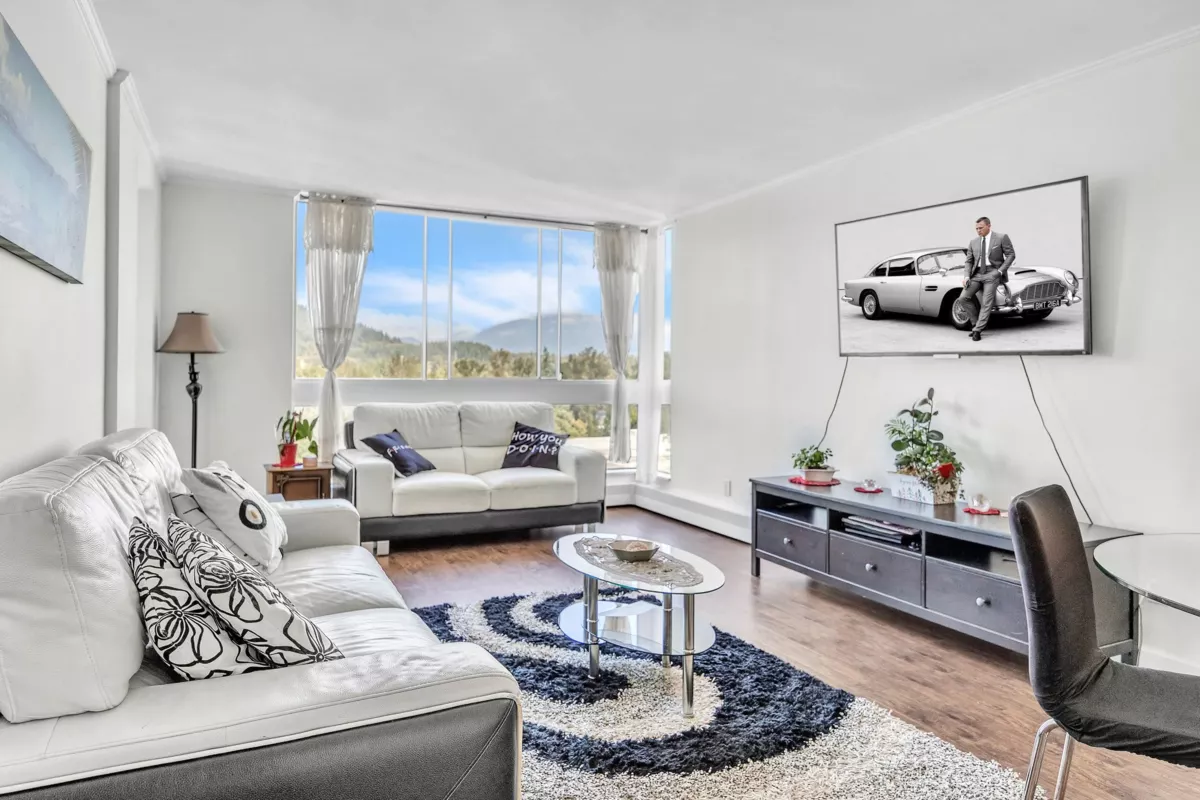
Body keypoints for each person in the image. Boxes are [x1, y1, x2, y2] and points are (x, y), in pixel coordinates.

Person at [960, 216, 1015, 341]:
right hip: (976, 274)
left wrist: (1000, 271)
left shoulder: (1001, 237)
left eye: (981, 228)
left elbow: (1011, 255)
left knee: (986, 302)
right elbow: (969, 261)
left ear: (989, 226)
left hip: (992, 273)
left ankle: (978, 330)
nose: (978, 231)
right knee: (963, 298)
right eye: (976, 228)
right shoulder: (973, 242)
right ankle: (975, 324)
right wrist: (967, 276)